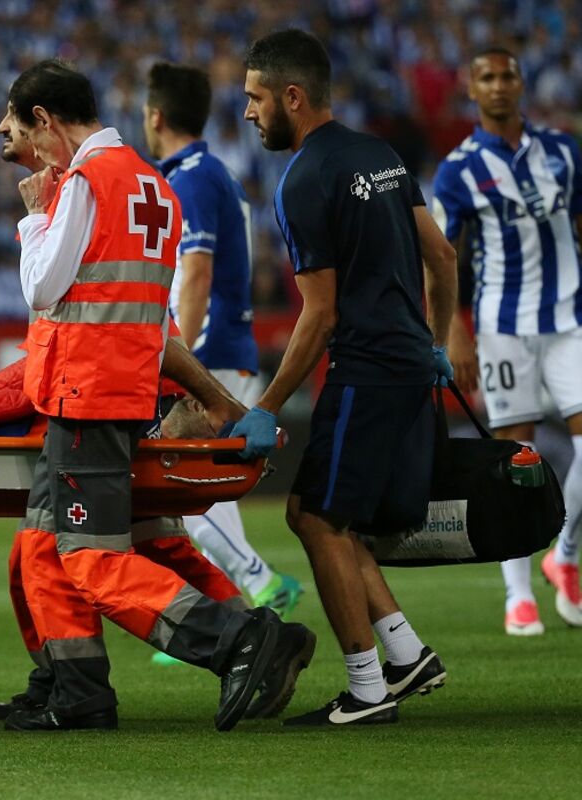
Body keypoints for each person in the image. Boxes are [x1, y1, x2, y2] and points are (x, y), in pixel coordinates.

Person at [1, 59, 314, 733]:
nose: (10, 135)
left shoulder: (86, 182)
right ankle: (77, 690)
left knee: (91, 559)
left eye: (17, 123)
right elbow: (151, 317)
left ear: (44, 120)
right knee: (40, 545)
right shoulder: (153, 186)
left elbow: (41, 288)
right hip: (123, 390)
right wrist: (211, 398)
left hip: (86, 394)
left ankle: (238, 640)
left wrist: (33, 219)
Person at [237, 29, 455, 725]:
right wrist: (436, 344)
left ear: (292, 97)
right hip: (406, 364)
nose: (248, 112)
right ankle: (405, 653)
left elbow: (321, 312)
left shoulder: (304, 180)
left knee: (315, 518)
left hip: (366, 368)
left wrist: (267, 404)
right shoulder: (381, 155)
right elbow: (443, 257)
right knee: (330, 515)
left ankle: (366, 692)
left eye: (255, 98)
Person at [142, 61, 303, 625]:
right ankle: (227, 612)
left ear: (155, 116)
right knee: (200, 492)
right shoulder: (212, 174)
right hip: (225, 346)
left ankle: (261, 584)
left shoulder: (192, 180)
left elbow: (197, 273)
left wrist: (181, 360)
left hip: (209, 351)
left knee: (186, 489)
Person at [432, 46, 582, 633]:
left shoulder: (563, 152)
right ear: (472, 89)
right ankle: (517, 595)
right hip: (502, 327)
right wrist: (455, 331)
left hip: (569, 318)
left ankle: (563, 555)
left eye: (507, 75)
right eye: (487, 77)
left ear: (521, 84)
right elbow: (443, 257)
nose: (498, 85)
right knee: (515, 457)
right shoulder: (458, 169)